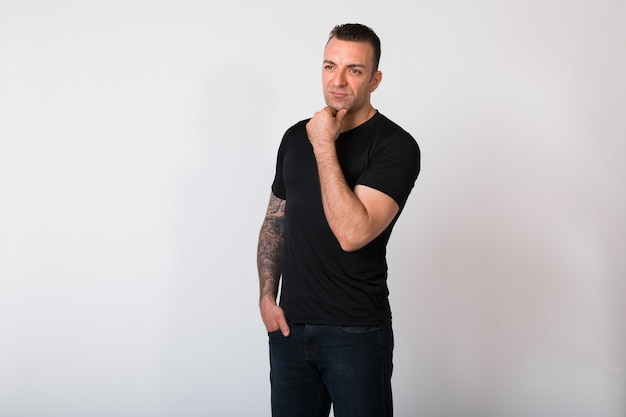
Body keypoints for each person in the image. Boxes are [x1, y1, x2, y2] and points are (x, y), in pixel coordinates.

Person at [257, 23, 420, 417]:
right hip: (290, 329)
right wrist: (266, 296)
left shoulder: (395, 146)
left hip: (357, 333)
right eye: (330, 66)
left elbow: (352, 233)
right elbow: (275, 221)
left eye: (355, 69)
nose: (339, 80)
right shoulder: (295, 137)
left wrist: (324, 143)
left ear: (375, 79)